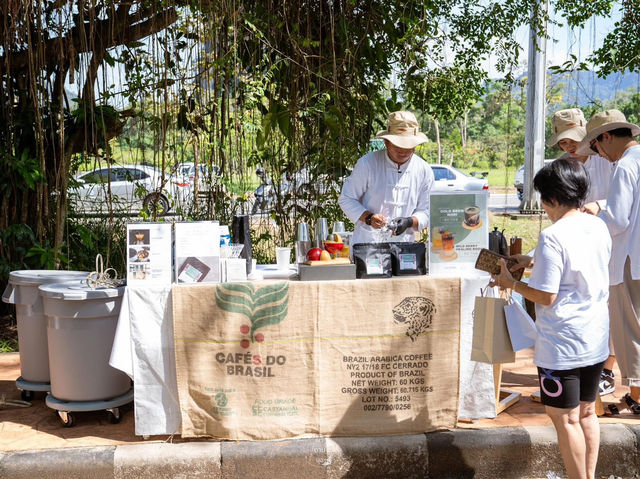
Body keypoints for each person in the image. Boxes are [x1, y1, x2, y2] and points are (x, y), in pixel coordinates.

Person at [491, 158, 611, 479]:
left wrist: (511, 283)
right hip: (596, 338)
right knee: (587, 414)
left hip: (562, 344)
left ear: (552, 199)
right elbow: (578, 268)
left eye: (544, 200)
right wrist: (531, 260)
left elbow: (546, 296)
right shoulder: (597, 225)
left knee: (566, 419)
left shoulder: (553, 237)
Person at [548, 108, 617, 396]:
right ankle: (584, 364)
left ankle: (608, 369)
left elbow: (622, 199)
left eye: (573, 139)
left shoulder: (608, 159)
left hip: (612, 240)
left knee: (610, 303)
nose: (569, 147)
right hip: (577, 244)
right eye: (563, 143)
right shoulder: (563, 166)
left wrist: (600, 205)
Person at [575, 109, 640, 414]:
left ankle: (638, 397)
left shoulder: (625, 166)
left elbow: (618, 220)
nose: (600, 154)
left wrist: (594, 213)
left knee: (630, 329)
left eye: (598, 146)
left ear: (607, 137)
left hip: (629, 258)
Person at [338, 111, 434, 246]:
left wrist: (409, 222)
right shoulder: (368, 163)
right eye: (398, 145)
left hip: (404, 247)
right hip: (368, 243)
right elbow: (347, 198)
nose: (403, 150)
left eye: (408, 146)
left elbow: (427, 210)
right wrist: (369, 217)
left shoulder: (423, 170)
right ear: (386, 142)